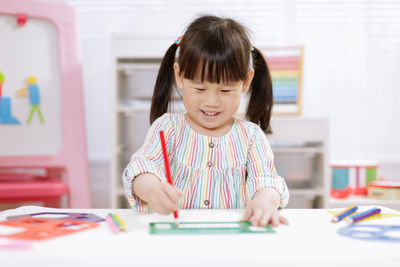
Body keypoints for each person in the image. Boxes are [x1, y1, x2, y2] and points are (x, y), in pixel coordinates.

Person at [123, 15, 289, 227]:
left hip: (231, 240)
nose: (211, 102)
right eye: (200, 89)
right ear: (180, 76)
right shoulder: (167, 129)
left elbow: (266, 181)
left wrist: (266, 199)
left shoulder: (251, 136)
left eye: (225, 90)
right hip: (176, 238)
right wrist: (154, 191)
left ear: (246, 82)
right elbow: (140, 170)